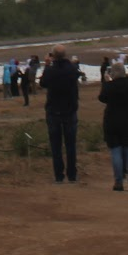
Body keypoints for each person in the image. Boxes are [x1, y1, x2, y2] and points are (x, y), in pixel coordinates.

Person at [39, 45, 81, 184]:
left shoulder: (51, 70)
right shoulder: (72, 69)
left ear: (53, 56)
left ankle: (59, 175)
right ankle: (72, 175)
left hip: (54, 111)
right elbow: (76, 73)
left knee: (56, 145)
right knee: (71, 145)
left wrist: (47, 64)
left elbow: (43, 83)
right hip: (70, 110)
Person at [98, 63, 128, 192]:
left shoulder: (110, 86)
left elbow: (102, 98)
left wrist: (106, 82)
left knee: (116, 152)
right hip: (127, 120)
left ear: (113, 73)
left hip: (112, 121)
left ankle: (118, 182)